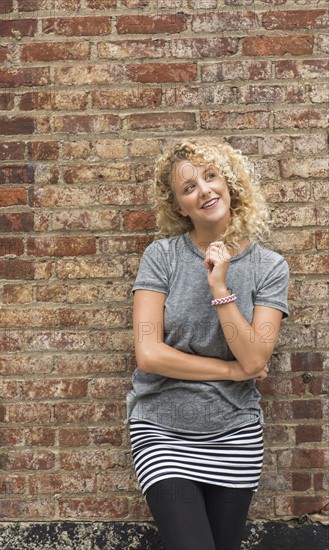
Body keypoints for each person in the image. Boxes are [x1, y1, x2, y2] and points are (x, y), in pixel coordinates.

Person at [125, 138, 289, 550]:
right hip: (162, 430)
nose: (205, 191)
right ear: (180, 206)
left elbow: (255, 358)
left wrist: (220, 287)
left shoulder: (270, 267)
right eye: (189, 187)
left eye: (211, 176)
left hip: (234, 432)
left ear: (229, 182)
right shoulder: (161, 257)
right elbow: (149, 353)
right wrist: (231, 371)